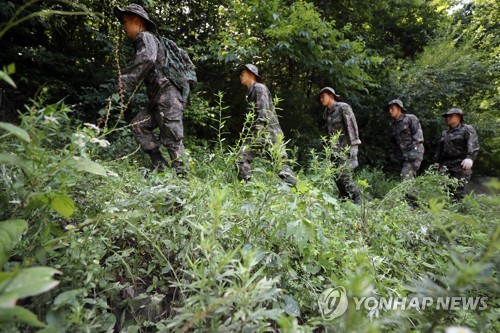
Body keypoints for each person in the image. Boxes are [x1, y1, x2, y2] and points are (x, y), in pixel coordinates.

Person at [114, 4, 187, 174]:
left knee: (173, 139)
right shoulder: (149, 39)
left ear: (136, 20)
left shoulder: (146, 36)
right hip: (158, 99)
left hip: (168, 97)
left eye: (125, 22)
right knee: (138, 125)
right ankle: (159, 163)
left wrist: (123, 83)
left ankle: (184, 182)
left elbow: (147, 58)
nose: (123, 27)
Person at [236, 64, 297, 186]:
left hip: (269, 133)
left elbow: (263, 112)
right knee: (241, 159)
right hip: (259, 133)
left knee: (280, 165)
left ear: (252, 74)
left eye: (243, 72)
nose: (240, 75)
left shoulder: (259, 88)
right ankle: (245, 188)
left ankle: (296, 191)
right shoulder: (250, 92)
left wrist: (257, 134)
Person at [319, 87, 361, 203]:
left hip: (345, 149)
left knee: (343, 175)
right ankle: (345, 199)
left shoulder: (343, 107)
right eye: (320, 97)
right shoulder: (326, 114)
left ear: (331, 96)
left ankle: (357, 197)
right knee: (336, 176)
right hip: (334, 150)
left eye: (324, 96)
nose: (321, 99)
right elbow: (328, 133)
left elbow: (352, 126)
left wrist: (354, 147)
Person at [435, 108, 479, 200]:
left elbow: (473, 144)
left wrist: (470, 158)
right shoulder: (445, 132)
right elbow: (440, 149)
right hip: (446, 164)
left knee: (459, 192)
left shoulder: (467, 129)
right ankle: (444, 210)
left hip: (461, 164)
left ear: (459, 117)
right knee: (443, 189)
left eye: (451, 116)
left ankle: (460, 211)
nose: (448, 118)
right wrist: (438, 162)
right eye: (447, 117)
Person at [386, 99, 425, 179]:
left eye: (392, 108)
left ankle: (410, 192)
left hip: (413, 153)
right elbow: (394, 143)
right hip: (403, 156)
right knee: (406, 179)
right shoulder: (393, 125)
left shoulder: (409, 118)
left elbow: (418, 136)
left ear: (399, 108)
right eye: (389, 109)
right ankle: (414, 192)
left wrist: (414, 152)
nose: (390, 111)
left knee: (406, 177)